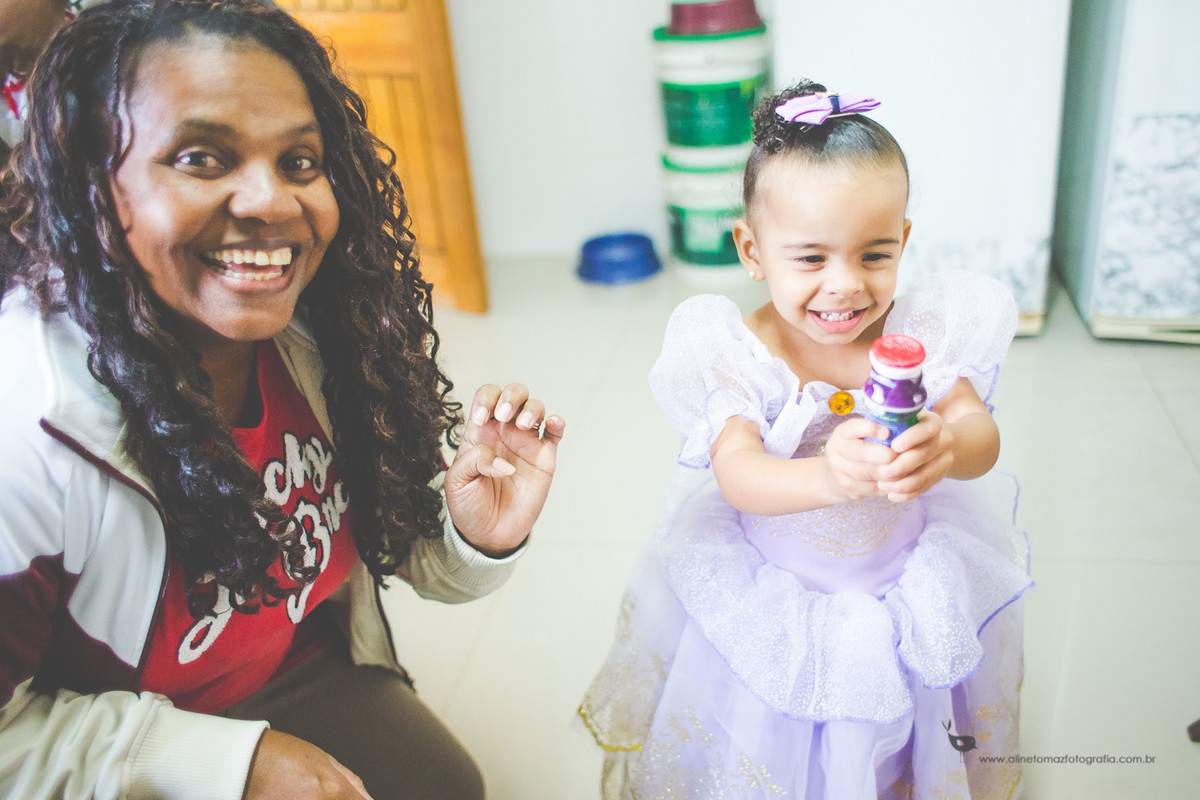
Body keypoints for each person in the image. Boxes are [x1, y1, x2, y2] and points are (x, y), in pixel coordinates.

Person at [0, 1, 565, 798]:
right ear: (97, 187)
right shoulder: (26, 428)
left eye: (300, 161)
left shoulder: (318, 333)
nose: (270, 201)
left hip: (289, 665)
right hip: (108, 730)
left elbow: (399, 545)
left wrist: (474, 534)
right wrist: (227, 767)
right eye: (201, 158)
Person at [579, 79, 1032, 799]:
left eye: (874, 255)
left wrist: (947, 443)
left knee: (900, 742)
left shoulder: (920, 334)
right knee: (773, 747)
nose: (845, 286)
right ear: (752, 250)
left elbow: (980, 430)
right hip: (780, 599)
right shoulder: (740, 351)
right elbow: (738, 473)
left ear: (904, 241)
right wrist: (828, 478)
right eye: (812, 258)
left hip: (902, 581)